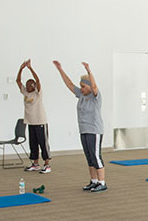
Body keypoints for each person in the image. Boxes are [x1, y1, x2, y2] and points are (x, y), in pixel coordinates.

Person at [53, 60, 106, 192]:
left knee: (96, 156)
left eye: (83, 86)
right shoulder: (81, 95)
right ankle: (94, 182)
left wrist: (89, 71)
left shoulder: (95, 96)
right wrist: (60, 69)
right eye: (80, 86)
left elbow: (94, 86)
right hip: (84, 130)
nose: (81, 88)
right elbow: (69, 84)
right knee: (89, 156)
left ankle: (102, 183)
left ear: (89, 86)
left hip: (95, 130)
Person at [16, 60, 51, 174]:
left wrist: (30, 68)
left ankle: (47, 165)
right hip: (30, 122)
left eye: (30, 85)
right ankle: (35, 164)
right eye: (26, 85)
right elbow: (18, 81)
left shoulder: (38, 93)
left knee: (43, 144)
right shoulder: (26, 93)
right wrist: (21, 68)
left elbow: (38, 80)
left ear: (34, 86)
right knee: (33, 144)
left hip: (40, 122)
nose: (27, 86)